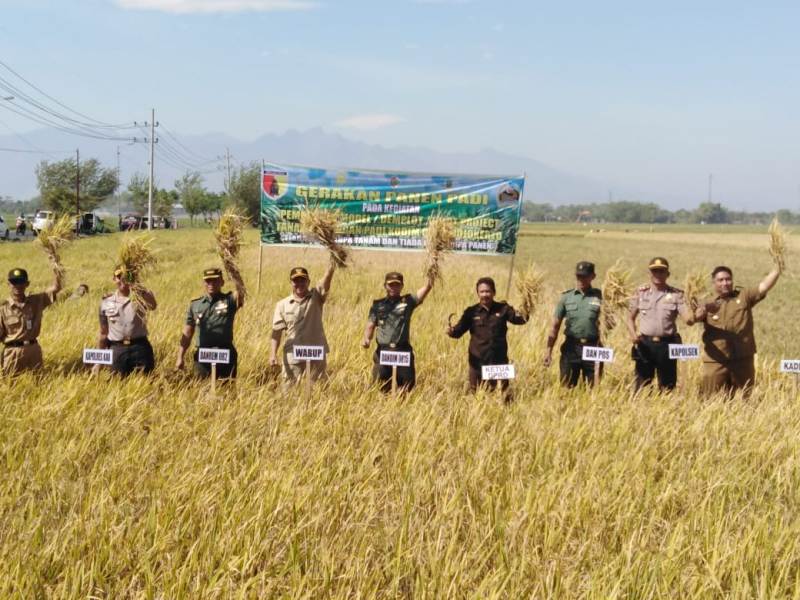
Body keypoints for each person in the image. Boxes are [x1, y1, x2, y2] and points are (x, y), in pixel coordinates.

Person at [694, 264, 780, 396]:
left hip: (742, 359)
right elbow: (694, 318)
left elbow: (763, 287)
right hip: (716, 360)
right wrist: (703, 310)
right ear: (713, 283)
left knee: (745, 399)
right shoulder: (707, 301)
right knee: (710, 399)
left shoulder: (744, 296)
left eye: (728, 279)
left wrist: (777, 269)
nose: (725, 283)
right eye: (720, 280)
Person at [446, 276, 528, 400]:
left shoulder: (504, 309)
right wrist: (451, 331)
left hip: (499, 363)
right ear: (478, 293)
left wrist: (528, 304)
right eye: (482, 292)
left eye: (488, 291)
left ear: (494, 292)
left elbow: (521, 320)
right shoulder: (471, 312)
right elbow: (458, 331)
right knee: (477, 399)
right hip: (477, 364)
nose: (485, 294)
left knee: (502, 398)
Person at [625, 257, 695, 392]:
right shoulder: (640, 293)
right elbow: (630, 318)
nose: (658, 274)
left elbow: (689, 320)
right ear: (649, 274)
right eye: (654, 271)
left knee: (667, 387)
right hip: (645, 344)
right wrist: (633, 335)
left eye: (661, 271)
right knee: (642, 386)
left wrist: (695, 309)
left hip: (667, 345)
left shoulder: (676, 295)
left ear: (667, 274)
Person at [361, 271, 433, 393]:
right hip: (384, 352)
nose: (394, 288)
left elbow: (427, 288)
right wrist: (366, 339)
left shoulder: (407, 302)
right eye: (391, 285)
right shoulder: (378, 305)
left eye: (397, 285)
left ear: (402, 286)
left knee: (406, 388)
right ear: (385, 285)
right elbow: (370, 325)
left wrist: (432, 268)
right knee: (379, 386)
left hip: (402, 351)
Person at [270, 261, 335, 385]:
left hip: (315, 353)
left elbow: (326, 282)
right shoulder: (282, 305)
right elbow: (276, 332)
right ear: (291, 282)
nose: (299, 284)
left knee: (318, 392)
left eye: (303, 280)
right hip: (292, 355)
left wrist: (332, 264)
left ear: (308, 282)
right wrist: (273, 354)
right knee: (289, 393)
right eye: (296, 281)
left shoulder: (316, 297)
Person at [544, 261, 603, 387]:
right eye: (578, 276)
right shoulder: (567, 297)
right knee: (566, 386)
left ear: (593, 276)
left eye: (585, 276)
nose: (581, 279)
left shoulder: (600, 296)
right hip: (571, 347)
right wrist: (548, 350)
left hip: (593, 346)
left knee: (595, 388)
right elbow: (555, 326)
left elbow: (610, 321)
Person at [177, 267, 244, 378]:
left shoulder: (230, 300)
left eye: (215, 280)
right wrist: (180, 356)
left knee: (227, 389)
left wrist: (231, 266)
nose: (211, 283)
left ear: (222, 282)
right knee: (202, 389)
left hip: (225, 352)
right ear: (203, 283)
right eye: (208, 281)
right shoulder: (195, 304)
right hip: (203, 355)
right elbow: (187, 333)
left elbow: (241, 291)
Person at [96, 267, 157, 376]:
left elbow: (153, 305)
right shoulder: (106, 302)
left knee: (145, 384)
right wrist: (99, 361)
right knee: (117, 385)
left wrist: (137, 286)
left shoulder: (140, 297)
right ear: (114, 279)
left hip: (140, 348)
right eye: (119, 276)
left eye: (126, 276)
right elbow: (103, 333)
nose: (123, 279)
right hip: (117, 349)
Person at [0, 267, 62, 374]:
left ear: (27, 284)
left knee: (38, 384)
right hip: (12, 353)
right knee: (11, 385)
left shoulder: (36, 301)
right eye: (14, 282)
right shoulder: (3, 309)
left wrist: (56, 268)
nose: (18, 286)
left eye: (21, 282)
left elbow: (56, 288)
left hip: (33, 351)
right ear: (9, 284)